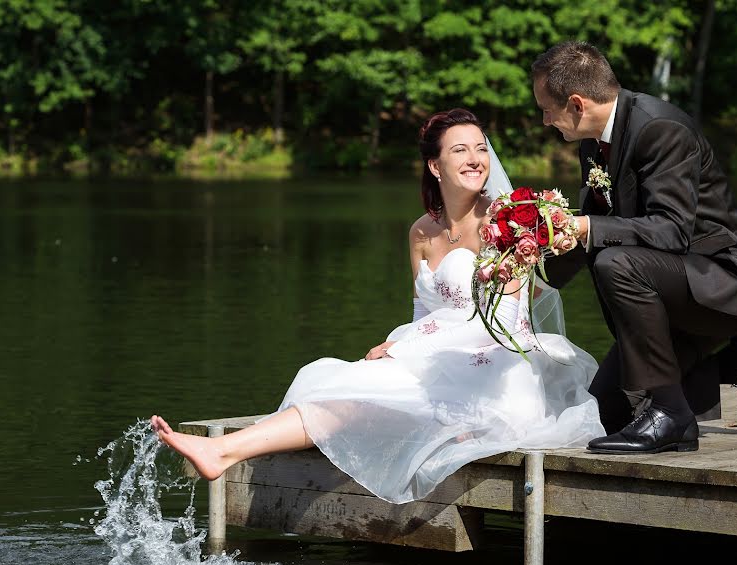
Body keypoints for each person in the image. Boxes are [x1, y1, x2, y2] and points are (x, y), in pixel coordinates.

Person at [152, 108, 605, 504]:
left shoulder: (509, 220)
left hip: (497, 371)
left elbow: (503, 322)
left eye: (481, 149)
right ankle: (222, 451)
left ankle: (225, 450)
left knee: (366, 386)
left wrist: (405, 348)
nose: (475, 160)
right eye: (460, 151)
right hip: (442, 361)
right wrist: (400, 341)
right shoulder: (422, 232)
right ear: (434, 165)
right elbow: (424, 314)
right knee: (342, 379)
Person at [530, 41, 737, 454]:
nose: (544, 120)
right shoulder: (592, 141)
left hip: (724, 280)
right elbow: (600, 224)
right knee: (608, 411)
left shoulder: (659, 128)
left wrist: (586, 226)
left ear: (577, 103)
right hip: (673, 284)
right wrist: (537, 271)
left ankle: (672, 414)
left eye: (546, 108)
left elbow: (670, 232)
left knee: (616, 262)